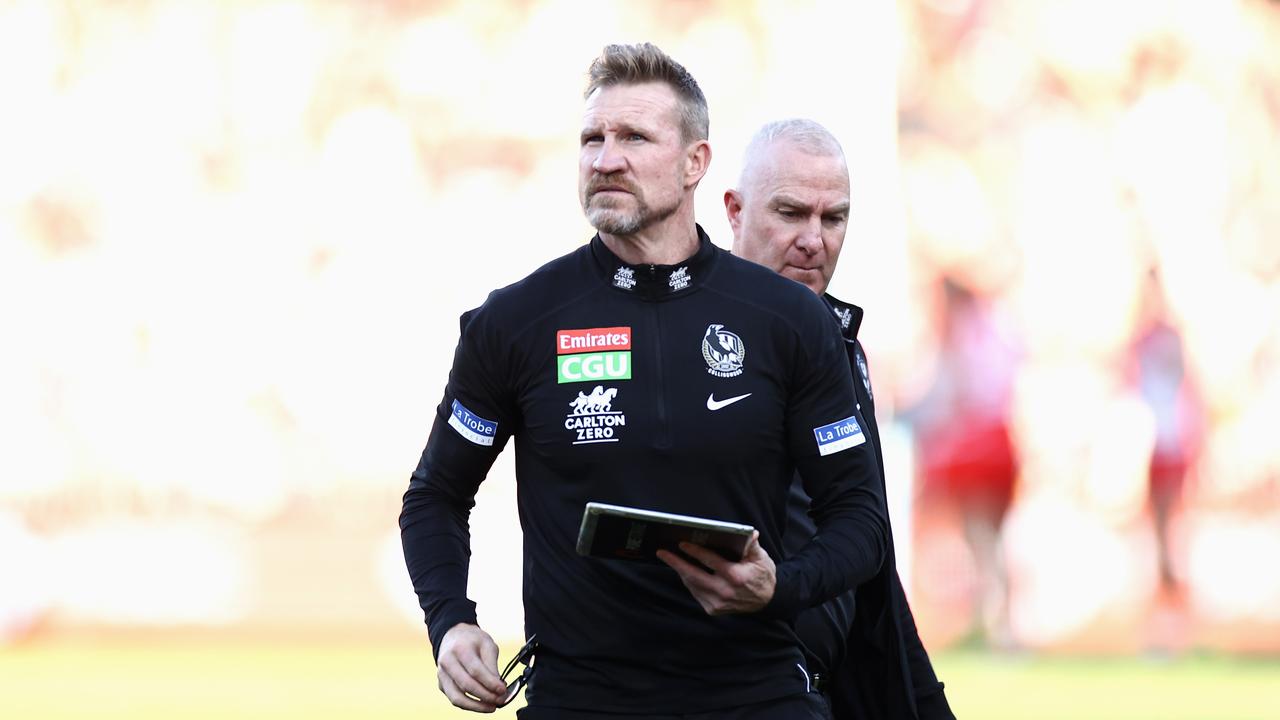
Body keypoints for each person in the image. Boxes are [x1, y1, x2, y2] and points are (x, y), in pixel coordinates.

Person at [400, 44, 887, 719]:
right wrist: (451, 621)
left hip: (755, 695)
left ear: (696, 164)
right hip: (581, 699)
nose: (605, 159)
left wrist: (780, 586)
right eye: (592, 139)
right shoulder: (516, 321)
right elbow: (436, 495)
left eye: (633, 137)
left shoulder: (788, 319)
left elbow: (861, 518)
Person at [726, 119, 955, 719]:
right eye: (790, 213)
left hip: (829, 680)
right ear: (734, 211)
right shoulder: (699, 339)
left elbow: (866, 543)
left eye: (833, 219)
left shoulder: (842, 344)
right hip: (744, 684)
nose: (813, 239)